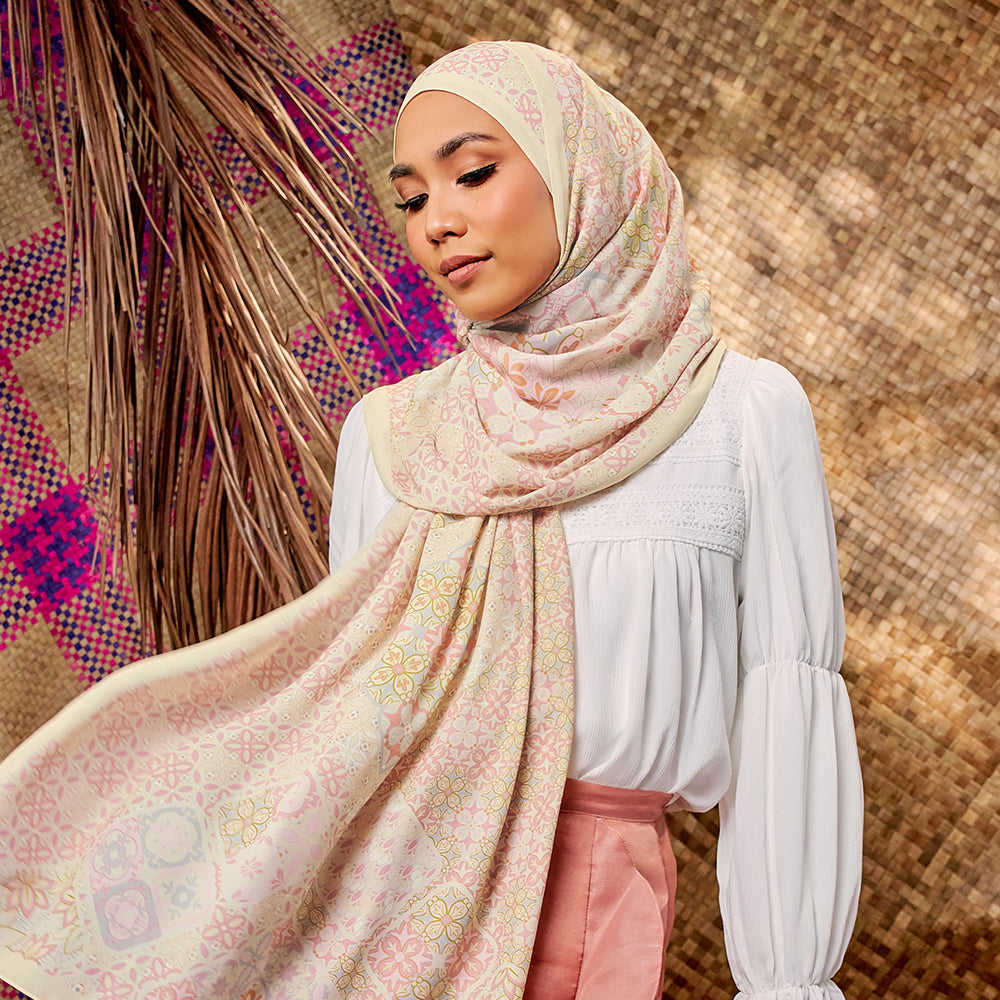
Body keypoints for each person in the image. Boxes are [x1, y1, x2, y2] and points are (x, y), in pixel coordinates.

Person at [0, 40, 862, 1000]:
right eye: (412, 200)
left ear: (583, 171)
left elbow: (789, 708)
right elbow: (346, 721)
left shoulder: (738, 417)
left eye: (474, 173)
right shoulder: (397, 438)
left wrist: (787, 983)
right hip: (384, 923)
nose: (437, 223)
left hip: (595, 909)